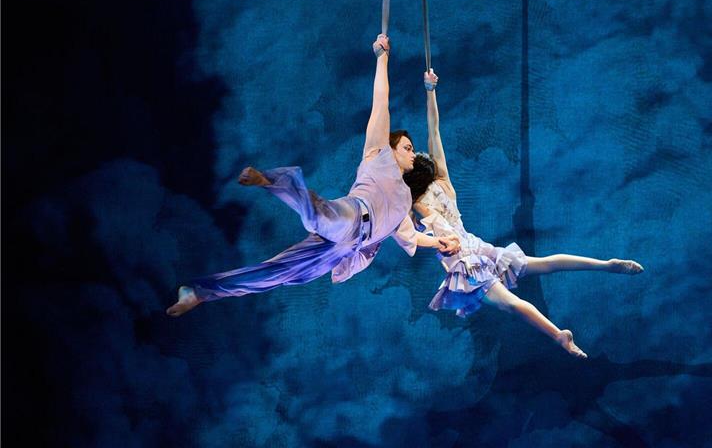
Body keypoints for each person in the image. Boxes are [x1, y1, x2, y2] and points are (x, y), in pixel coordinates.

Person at [166, 35, 460, 317]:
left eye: (412, 150)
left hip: (346, 248)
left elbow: (412, 237)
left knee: (279, 273)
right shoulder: (377, 153)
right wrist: (382, 59)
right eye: (407, 148)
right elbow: (380, 102)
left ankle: (199, 292)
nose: (412, 153)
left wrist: (440, 242)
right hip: (353, 214)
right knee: (320, 215)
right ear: (392, 147)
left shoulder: (404, 202)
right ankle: (272, 181)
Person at [403, 69, 644, 358]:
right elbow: (434, 131)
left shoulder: (413, 203)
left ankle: (559, 336)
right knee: (543, 264)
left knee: (511, 304)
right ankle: (605, 265)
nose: (414, 153)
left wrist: (428, 94)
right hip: (477, 247)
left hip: (466, 262)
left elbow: (424, 146)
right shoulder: (444, 184)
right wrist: (430, 92)